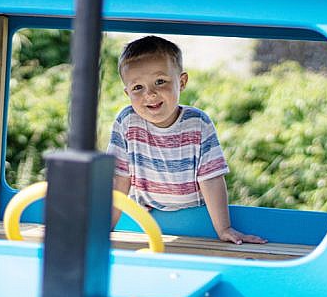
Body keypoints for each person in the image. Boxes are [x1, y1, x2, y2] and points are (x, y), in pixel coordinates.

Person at [107, 35, 267, 245]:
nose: (150, 94)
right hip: (146, 220)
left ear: (181, 82)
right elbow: (119, 178)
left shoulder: (198, 123)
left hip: (195, 219)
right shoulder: (126, 121)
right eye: (138, 88)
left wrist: (223, 228)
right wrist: (106, 226)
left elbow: (211, 178)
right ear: (127, 92)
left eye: (160, 82)